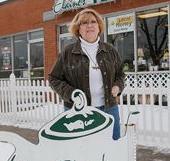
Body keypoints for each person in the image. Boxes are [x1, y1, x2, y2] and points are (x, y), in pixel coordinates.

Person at [48, 8, 125, 140]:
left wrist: (118, 86)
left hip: (108, 109)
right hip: (77, 113)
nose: (89, 25)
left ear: (99, 26)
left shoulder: (110, 50)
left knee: (112, 147)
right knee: (82, 152)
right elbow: (53, 79)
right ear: (78, 29)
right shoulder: (68, 52)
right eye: (84, 23)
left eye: (93, 22)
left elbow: (120, 74)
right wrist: (71, 93)